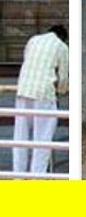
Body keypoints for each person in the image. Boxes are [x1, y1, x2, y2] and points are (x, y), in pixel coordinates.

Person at [12, 25, 69, 174]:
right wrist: (62, 91)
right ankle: (37, 177)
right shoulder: (61, 46)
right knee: (42, 139)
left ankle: (17, 175)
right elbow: (63, 78)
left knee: (20, 137)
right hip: (44, 93)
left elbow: (27, 62)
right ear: (63, 37)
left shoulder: (33, 40)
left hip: (23, 89)